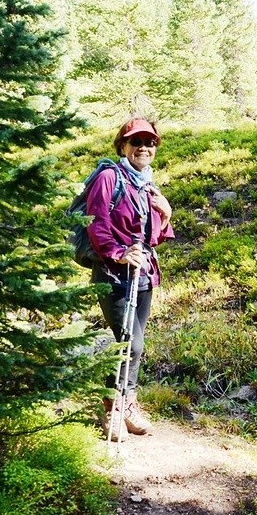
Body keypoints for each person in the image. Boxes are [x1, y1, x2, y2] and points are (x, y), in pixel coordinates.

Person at [87, 117, 174, 440]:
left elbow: (155, 236)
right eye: (136, 142)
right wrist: (118, 252)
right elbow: (95, 222)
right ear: (122, 146)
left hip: (143, 273)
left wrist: (166, 214)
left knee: (136, 345)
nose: (144, 148)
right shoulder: (110, 177)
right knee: (130, 343)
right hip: (113, 273)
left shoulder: (147, 185)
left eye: (150, 142)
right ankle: (112, 408)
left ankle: (129, 404)